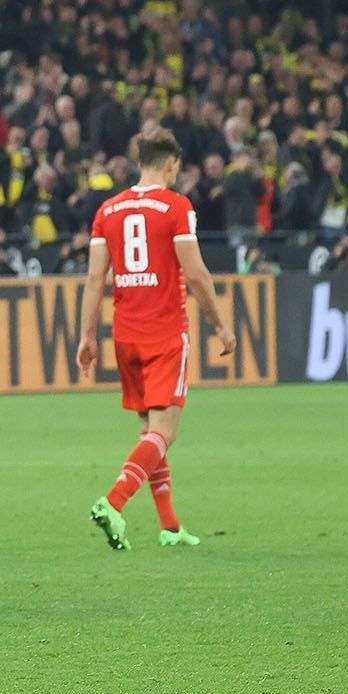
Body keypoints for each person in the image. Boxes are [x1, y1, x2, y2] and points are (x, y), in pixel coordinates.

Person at [76, 130, 235, 551]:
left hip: (125, 335)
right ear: (172, 164)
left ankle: (169, 526)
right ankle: (112, 502)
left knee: (150, 431)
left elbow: (94, 279)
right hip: (165, 332)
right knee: (165, 432)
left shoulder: (108, 209)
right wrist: (220, 324)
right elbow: (196, 273)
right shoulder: (176, 207)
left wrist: (87, 336)